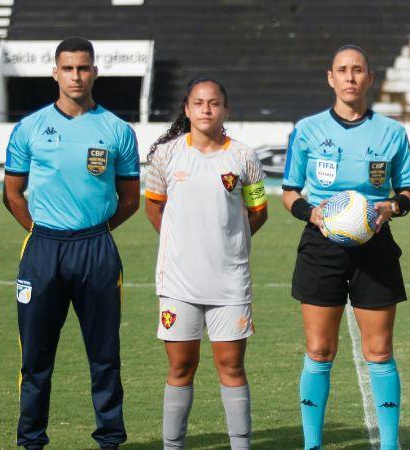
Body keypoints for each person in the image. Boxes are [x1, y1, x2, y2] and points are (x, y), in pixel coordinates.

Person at [2, 37, 141, 450]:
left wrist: (95, 231)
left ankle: (111, 439)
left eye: (83, 68)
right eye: (68, 68)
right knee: (36, 359)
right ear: (55, 73)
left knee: (104, 355)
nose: (76, 76)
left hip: (96, 250)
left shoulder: (117, 130)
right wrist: (39, 229)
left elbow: (130, 198)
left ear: (94, 72)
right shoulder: (29, 128)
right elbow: (12, 192)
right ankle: (31, 441)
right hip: (43, 249)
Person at [282, 44, 410, 450]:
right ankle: (312, 443)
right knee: (319, 348)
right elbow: (288, 192)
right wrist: (313, 214)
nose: (351, 77)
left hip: (375, 246)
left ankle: (390, 444)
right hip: (321, 246)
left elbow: (408, 193)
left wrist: (391, 207)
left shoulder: (392, 133)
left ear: (369, 78)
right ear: (331, 78)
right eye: (343, 70)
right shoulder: (306, 130)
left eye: (358, 70)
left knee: (379, 350)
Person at [144, 77, 268, 449]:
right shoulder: (166, 155)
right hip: (178, 284)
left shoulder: (243, 156)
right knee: (181, 368)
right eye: (198, 103)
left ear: (225, 110)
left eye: (213, 103)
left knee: (231, 367)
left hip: (229, 284)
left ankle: (240, 445)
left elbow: (258, 212)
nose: (206, 110)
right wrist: (180, 244)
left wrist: (229, 244)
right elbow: (154, 207)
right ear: (186, 109)